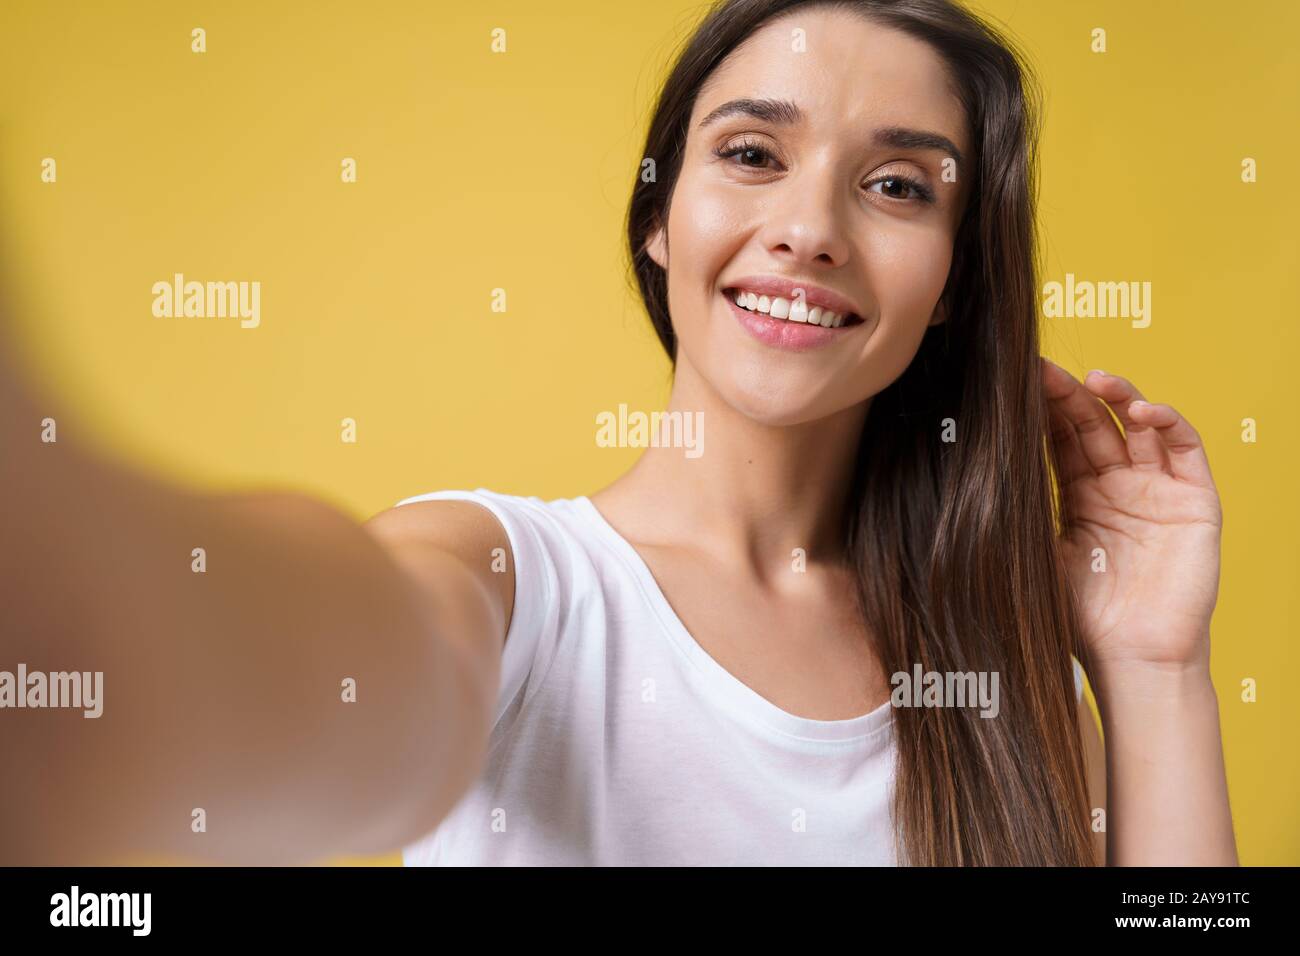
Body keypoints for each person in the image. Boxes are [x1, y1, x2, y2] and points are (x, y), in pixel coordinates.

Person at [0, 0, 1236, 866]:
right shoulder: (508, 579)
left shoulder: (997, 694)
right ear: (660, 218)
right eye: (751, 152)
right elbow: (351, 669)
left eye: (898, 183)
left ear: (956, 277)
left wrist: (1156, 665)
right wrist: (96, 640)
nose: (808, 226)